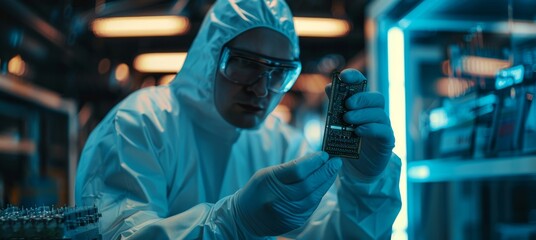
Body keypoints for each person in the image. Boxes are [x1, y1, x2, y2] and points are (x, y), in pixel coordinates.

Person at [75, 0, 401, 239]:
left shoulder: (280, 142)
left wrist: (365, 186)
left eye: (279, 73)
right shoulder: (140, 125)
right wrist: (230, 224)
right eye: (245, 64)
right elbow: (115, 234)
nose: (261, 89)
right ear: (209, 57)